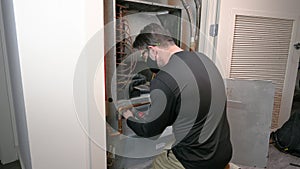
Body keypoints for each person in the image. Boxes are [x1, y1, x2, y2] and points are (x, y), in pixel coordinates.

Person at [122, 23, 232, 169]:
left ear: (153, 50)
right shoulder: (205, 60)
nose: (145, 60)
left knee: (157, 163)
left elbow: (149, 131)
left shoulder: (164, 78)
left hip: (196, 161)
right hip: (223, 152)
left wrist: (128, 116)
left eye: (144, 55)